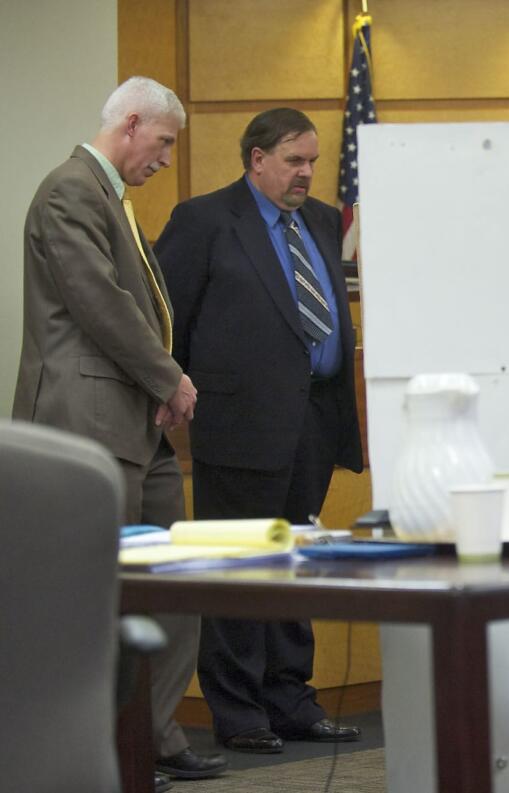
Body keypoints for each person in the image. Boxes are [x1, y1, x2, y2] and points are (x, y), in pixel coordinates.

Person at [13, 76, 227, 788]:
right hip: (87, 426)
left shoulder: (112, 199)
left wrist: (159, 387)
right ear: (131, 123)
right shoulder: (70, 189)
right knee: (97, 598)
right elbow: (100, 304)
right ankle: (99, 748)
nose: (167, 158)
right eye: (164, 142)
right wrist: (169, 377)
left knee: (175, 581)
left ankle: (155, 735)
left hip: (139, 430)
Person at [155, 108, 364, 753]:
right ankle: (240, 712)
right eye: (295, 161)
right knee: (242, 569)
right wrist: (181, 395)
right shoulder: (205, 220)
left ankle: (290, 700)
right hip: (238, 426)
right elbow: (168, 321)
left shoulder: (325, 221)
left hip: (314, 423)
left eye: (313, 161)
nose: (307, 173)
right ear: (257, 159)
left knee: (293, 564)